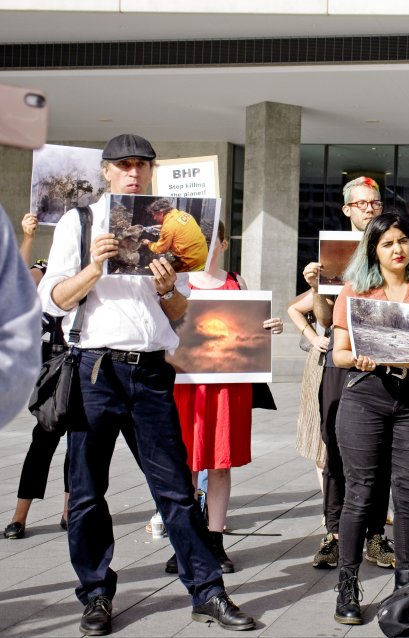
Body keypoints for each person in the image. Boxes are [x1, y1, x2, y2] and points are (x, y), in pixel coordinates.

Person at [38, 133, 254, 635]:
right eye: (124, 164)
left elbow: (182, 315)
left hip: (152, 371)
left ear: (152, 172)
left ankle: (208, 592)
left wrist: (165, 289)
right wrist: (95, 265)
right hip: (94, 369)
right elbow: (55, 300)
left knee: (176, 490)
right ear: (107, 171)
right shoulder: (82, 221)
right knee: (87, 491)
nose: (133, 172)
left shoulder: (172, 228)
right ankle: (95, 595)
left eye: (142, 165)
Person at [330, 212, 409, 625]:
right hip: (366, 396)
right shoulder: (355, 292)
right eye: (387, 243)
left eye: (402, 241)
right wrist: (359, 358)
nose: (397, 249)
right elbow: (338, 353)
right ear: (373, 250)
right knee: (361, 493)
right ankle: (348, 584)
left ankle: (406, 585)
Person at [166, 222, 284, 574]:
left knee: (220, 462)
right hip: (186, 384)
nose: (201, 246)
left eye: (208, 239)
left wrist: (267, 328)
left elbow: (248, 332)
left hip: (228, 386)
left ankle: (215, 541)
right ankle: (185, 542)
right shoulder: (176, 283)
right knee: (184, 464)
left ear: (222, 243)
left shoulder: (236, 282)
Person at [305, 176, 394, 571]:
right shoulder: (333, 253)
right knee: (336, 445)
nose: (370, 209)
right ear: (347, 210)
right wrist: (316, 290)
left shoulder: (393, 247)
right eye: (361, 204)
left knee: (381, 448)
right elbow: (324, 321)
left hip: (382, 359)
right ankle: (335, 533)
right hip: (341, 359)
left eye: (374, 203)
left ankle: (376, 535)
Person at [5, 213, 70, 539]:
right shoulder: (45, 267)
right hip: (53, 361)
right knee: (42, 441)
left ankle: (69, 511)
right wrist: (27, 236)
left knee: (80, 442)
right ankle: (19, 516)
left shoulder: (96, 268)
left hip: (87, 359)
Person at [0, 205, 41, 429]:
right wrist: (28, 237)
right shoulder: (49, 264)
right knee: (48, 430)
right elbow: (21, 279)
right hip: (59, 355)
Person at [287, 288, 329, 496]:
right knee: (320, 439)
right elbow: (293, 308)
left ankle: (378, 506)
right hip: (322, 363)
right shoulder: (328, 281)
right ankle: (330, 508)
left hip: (359, 363)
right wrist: (313, 338)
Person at [141, 197, 209, 271]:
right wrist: (161, 227)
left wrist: (148, 243)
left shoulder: (168, 227)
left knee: (161, 274)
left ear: (161, 213)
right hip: (204, 257)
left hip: (192, 263)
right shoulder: (183, 214)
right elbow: (178, 228)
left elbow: (160, 249)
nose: (154, 218)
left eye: (154, 215)